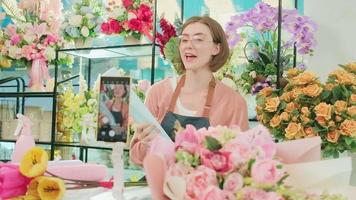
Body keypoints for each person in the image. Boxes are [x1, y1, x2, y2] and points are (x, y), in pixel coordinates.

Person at [130, 16, 249, 165]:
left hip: (206, 187)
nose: (188, 45)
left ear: (216, 48)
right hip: (159, 185)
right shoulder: (157, 93)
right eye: (184, 40)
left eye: (198, 39)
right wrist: (149, 143)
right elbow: (136, 157)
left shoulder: (233, 103)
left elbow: (241, 162)